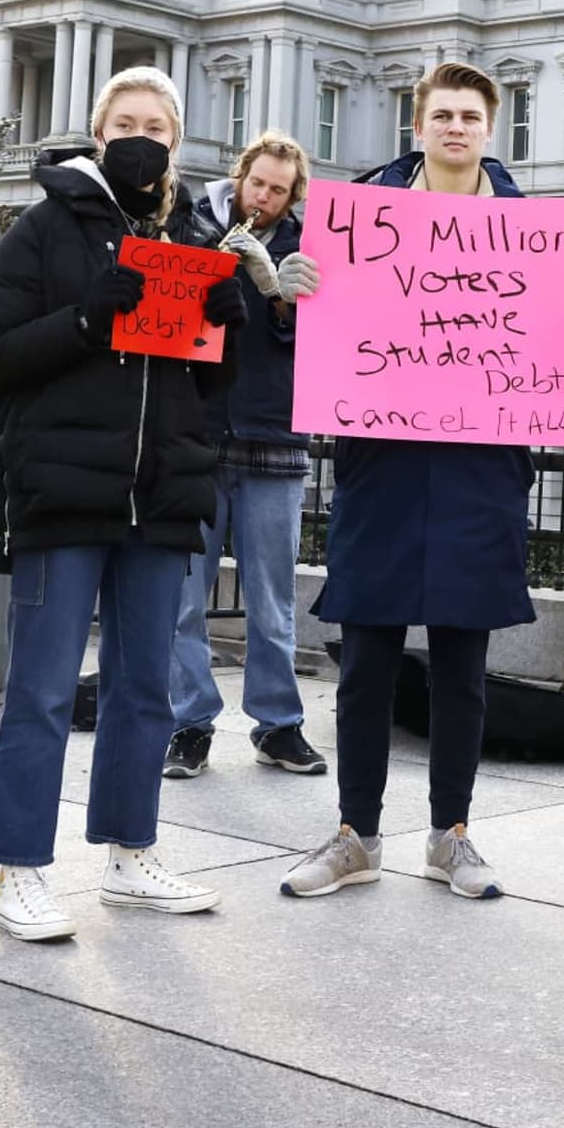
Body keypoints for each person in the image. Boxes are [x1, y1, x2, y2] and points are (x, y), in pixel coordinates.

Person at [279, 62, 564, 901]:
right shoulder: (357, 215)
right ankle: (357, 832)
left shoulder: (534, 233)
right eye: (442, 115)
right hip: (383, 466)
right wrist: (292, 291)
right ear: (419, 123)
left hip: (480, 469)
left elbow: (555, 347)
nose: (456, 127)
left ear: (490, 129)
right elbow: (313, 335)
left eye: (470, 115)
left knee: (463, 664)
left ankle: (451, 833)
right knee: (365, 659)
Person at [0, 68, 242, 940]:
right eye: (125, 122)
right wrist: (86, 321)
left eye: (156, 126)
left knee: (145, 690)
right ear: (96, 133)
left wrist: (231, 323)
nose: (141, 136)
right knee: (44, 690)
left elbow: (208, 380)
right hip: (62, 488)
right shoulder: (43, 227)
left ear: (177, 139)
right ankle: (20, 869)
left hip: (161, 493)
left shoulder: (196, 233)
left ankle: (131, 852)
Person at [165, 130, 325, 780]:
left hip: (275, 437)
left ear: (293, 196)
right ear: (240, 179)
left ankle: (278, 725)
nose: (264, 197)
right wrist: (209, 261)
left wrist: (280, 295)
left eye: (278, 190)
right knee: (182, 597)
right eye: (257, 183)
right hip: (198, 436)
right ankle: (190, 723)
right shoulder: (195, 224)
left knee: (271, 597)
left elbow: (332, 345)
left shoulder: (313, 248)